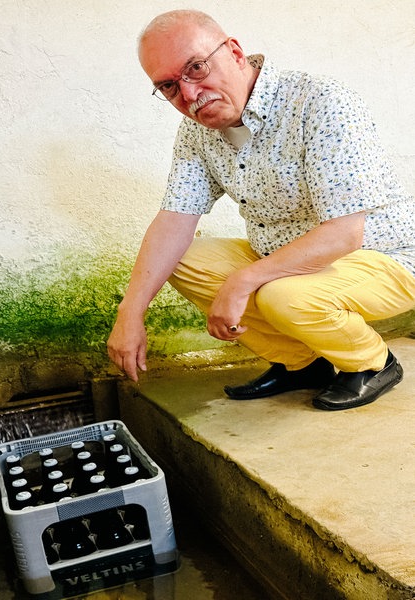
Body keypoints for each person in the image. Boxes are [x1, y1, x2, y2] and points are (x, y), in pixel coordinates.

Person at [107, 9, 415, 410]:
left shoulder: (321, 102)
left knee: (282, 295)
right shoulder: (197, 131)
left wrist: (242, 281)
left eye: (196, 68)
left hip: (382, 255)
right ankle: (302, 364)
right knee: (178, 259)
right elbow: (174, 219)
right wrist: (130, 313)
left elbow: (344, 233)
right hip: (283, 258)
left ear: (234, 52)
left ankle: (373, 364)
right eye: (168, 86)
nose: (188, 94)